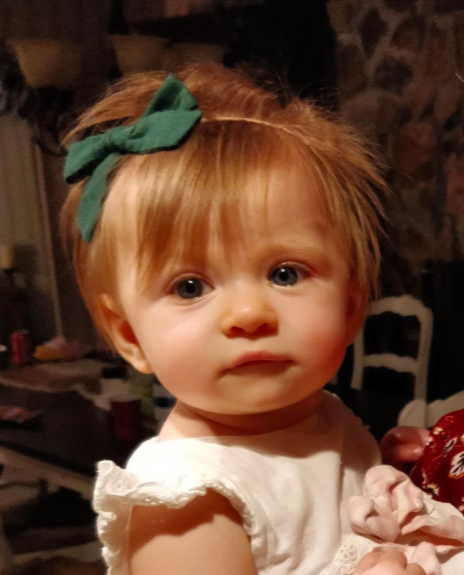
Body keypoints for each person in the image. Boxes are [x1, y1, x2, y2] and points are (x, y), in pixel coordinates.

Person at [61, 63, 464, 575]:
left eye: (285, 274)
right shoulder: (189, 502)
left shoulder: (322, 418)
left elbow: (327, 527)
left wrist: (390, 472)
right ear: (127, 334)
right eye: (190, 287)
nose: (249, 314)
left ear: (350, 306)